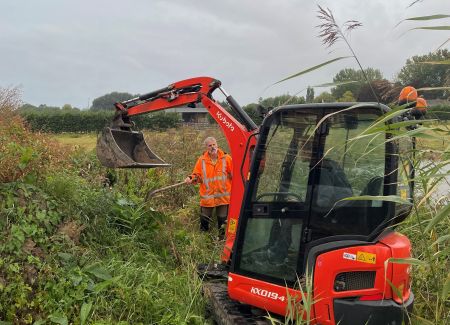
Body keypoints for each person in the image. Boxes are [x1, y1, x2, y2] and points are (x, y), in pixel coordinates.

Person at [185, 137, 232, 238]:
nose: (212, 147)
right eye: (210, 145)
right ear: (206, 147)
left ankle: (221, 241)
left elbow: (234, 174)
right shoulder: (201, 160)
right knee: (204, 220)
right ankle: (204, 239)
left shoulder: (226, 158)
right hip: (208, 197)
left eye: (214, 145)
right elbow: (196, 175)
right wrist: (190, 178)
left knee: (223, 222)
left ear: (217, 145)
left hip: (223, 197)